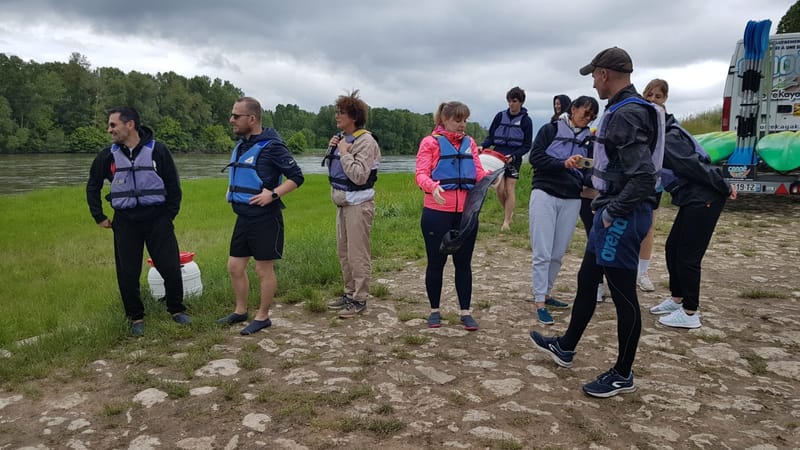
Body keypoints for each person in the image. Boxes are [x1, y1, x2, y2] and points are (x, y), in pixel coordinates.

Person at [530, 47, 665, 398]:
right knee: (587, 279)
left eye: (594, 75)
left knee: (623, 295)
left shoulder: (626, 114)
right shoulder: (627, 109)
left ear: (604, 74)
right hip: (610, 208)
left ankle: (623, 373)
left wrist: (611, 213)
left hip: (619, 215)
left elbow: (643, 177)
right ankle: (566, 346)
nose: (593, 81)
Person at [86, 106, 191, 337]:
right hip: (125, 222)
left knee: (170, 266)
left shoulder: (158, 151)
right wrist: (99, 216)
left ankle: (176, 309)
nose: (109, 130)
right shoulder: (107, 156)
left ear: (130, 124)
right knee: (127, 272)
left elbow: (174, 187)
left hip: (157, 219)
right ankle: (135, 317)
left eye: (113, 125)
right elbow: (93, 186)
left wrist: (168, 216)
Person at [647, 80, 737, 328]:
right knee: (672, 247)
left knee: (688, 255)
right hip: (693, 196)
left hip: (705, 196)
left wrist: (724, 185)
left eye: (657, 97)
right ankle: (677, 299)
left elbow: (694, 167)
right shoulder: (662, 133)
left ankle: (689, 313)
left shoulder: (670, 137)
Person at [216, 97, 304, 335]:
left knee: (263, 270)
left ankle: (263, 316)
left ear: (251, 119)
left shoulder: (273, 146)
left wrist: (273, 195)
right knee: (235, 266)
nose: (231, 120)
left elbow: (297, 177)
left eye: (236, 116)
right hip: (243, 216)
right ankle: (240, 311)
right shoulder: (242, 145)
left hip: (266, 218)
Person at [416, 101, 489, 331]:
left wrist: (491, 177)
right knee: (436, 263)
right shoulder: (430, 143)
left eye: (465, 120)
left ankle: (465, 312)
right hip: (436, 214)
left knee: (463, 264)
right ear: (444, 120)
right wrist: (431, 187)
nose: (462, 125)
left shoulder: (470, 143)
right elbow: (421, 173)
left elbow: (477, 172)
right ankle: (434, 311)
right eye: (458, 120)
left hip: (465, 215)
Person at [528, 96, 599, 325]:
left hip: (572, 197)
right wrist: (563, 164)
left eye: (592, 116)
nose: (587, 118)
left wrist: (589, 178)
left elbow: (592, 169)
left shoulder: (591, 140)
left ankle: (547, 293)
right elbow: (536, 158)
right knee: (542, 251)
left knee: (558, 253)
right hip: (545, 193)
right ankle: (539, 301)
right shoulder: (549, 129)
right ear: (573, 109)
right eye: (585, 113)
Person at [323, 90, 381, 319]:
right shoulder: (342, 138)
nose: (337, 116)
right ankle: (349, 293)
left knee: (358, 253)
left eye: (341, 113)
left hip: (359, 204)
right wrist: (333, 150)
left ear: (354, 117)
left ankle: (360, 298)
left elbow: (359, 176)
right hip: (343, 203)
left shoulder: (366, 142)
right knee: (344, 252)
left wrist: (345, 154)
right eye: (337, 112)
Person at [480, 87, 533, 231]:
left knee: (509, 189)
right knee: (499, 189)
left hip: (513, 158)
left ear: (521, 102)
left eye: (514, 101)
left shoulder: (526, 121)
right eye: (509, 101)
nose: (511, 104)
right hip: (497, 157)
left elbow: (527, 145)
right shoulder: (499, 116)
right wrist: (483, 146)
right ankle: (509, 212)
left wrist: (514, 156)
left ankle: (507, 221)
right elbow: (491, 137)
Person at [636, 79, 670, 293]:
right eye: (649, 95)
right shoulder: (638, 116)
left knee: (648, 227)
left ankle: (643, 272)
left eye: (658, 96)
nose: (653, 100)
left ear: (665, 98)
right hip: (634, 180)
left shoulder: (668, 121)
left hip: (654, 183)